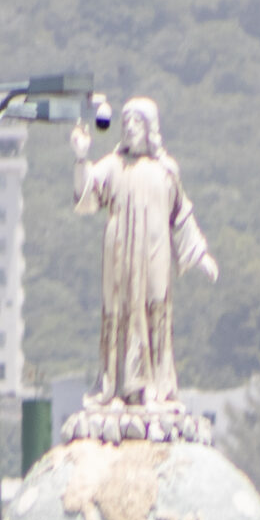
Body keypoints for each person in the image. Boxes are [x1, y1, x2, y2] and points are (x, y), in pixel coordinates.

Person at [71, 97, 217, 407]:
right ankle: (117, 386)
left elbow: (181, 215)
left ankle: (156, 385)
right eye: (125, 124)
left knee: (155, 309)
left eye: (137, 123)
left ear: (150, 129)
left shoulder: (165, 170)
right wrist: (81, 158)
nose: (130, 129)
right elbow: (86, 199)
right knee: (120, 313)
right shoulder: (113, 165)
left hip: (155, 252)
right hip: (120, 253)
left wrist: (199, 254)